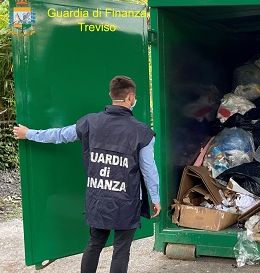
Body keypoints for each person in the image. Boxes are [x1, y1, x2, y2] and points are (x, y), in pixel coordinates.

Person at [13, 75, 161, 273]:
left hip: (98, 199)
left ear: (111, 95)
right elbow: (148, 168)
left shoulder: (90, 122)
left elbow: (60, 135)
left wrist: (29, 133)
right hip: (126, 202)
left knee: (94, 244)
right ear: (131, 97)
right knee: (121, 251)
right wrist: (155, 197)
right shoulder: (142, 132)